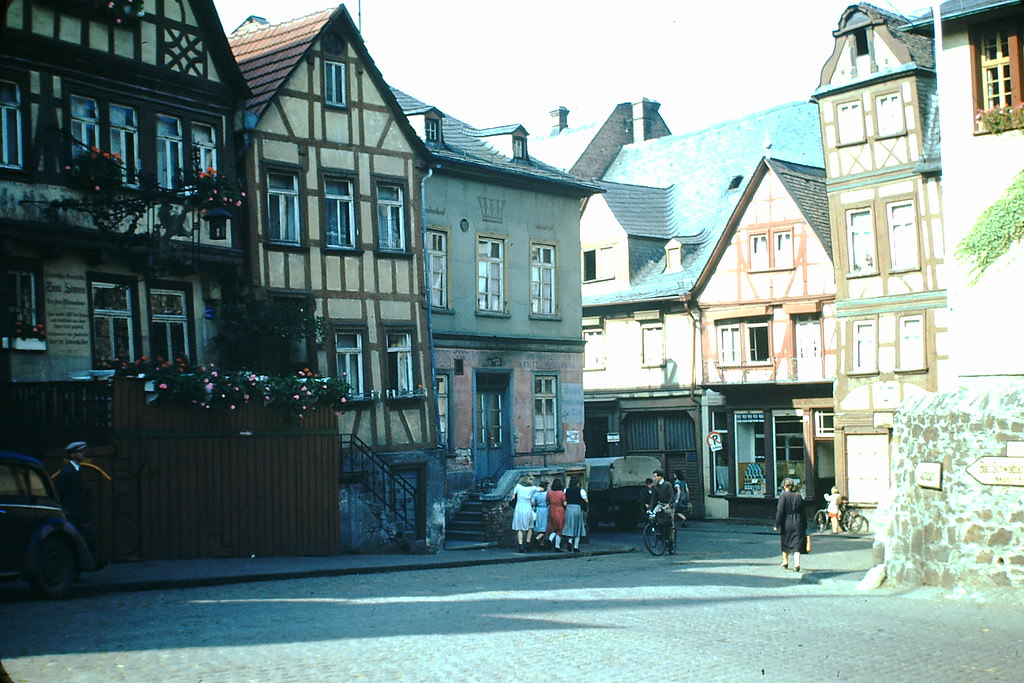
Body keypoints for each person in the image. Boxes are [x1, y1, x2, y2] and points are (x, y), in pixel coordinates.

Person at [774, 477, 807, 571]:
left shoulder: (783, 496)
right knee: (797, 543)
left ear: (785, 486)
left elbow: (780, 511)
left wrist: (777, 524)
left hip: (786, 521)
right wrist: (804, 525)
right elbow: (803, 512)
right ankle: (797, 564)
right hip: (798, 521)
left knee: (785, 541)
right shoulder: (798, 496)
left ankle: (785, 562)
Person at [54, 441, 88, 530]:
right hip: (70, 513)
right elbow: (60, 492)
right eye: (80, 452)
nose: (83, 454)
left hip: (78, 513)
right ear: (72, 454)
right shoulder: (67, 471)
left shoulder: (77, 469)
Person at [511, 474, 540, 552]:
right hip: (527, 507)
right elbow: (541, 489)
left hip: (519, 508)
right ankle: (527, 543)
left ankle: (520, 545)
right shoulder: (532, 488)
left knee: (519, 528)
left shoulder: (518, 486)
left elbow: (513, 497)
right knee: (530, 527)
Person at [651, 469, 676, 554]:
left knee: (670, 525)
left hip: (668, 505)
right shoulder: (656, 486)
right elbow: (654, 499)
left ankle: (671, 545)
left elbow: (672, 496)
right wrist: (650, 509)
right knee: (653, 516)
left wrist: (669, 504)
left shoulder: (667, 485)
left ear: (660, 477)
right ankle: (658, 531)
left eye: (655, 476)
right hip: (660, 504)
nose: (654, 478)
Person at [562, 477, 588, 553]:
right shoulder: (581, 491)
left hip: (568, 509)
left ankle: (570, 541)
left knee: (570, 525)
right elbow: (586, 500)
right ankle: (576, 546)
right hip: (577, 508)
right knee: (578, 527)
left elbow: (564, 500)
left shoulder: (565, 490)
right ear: (577, 483)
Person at [546, 478, 566, 551]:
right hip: (560, 511)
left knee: (553, 527)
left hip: (552, 510)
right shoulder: (561, 493)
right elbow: (564, 503)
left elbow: (547, 501)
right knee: (560, 529)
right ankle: (557, 546)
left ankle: (550, 539)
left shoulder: (549, 493)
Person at [531, 481, 550, 549]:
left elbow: (532, 503)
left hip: (538, 510)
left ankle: (541, 543)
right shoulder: (547, 494)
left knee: (539, 526)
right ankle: (538, 538)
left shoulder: (536, 494)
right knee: (545, 527)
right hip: (545, 510)